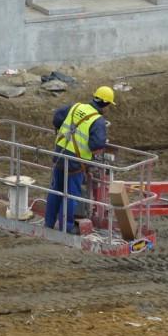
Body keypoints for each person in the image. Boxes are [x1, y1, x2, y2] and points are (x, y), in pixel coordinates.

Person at [44, 86, 116, 233]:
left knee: (55, 190)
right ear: (106, 104)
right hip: (75, 162)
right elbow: (96, 146)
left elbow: (57, 118)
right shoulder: (98, 120)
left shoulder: (76, 107)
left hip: (59, 153)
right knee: (70, 195)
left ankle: (48, 224)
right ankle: (66, 227)